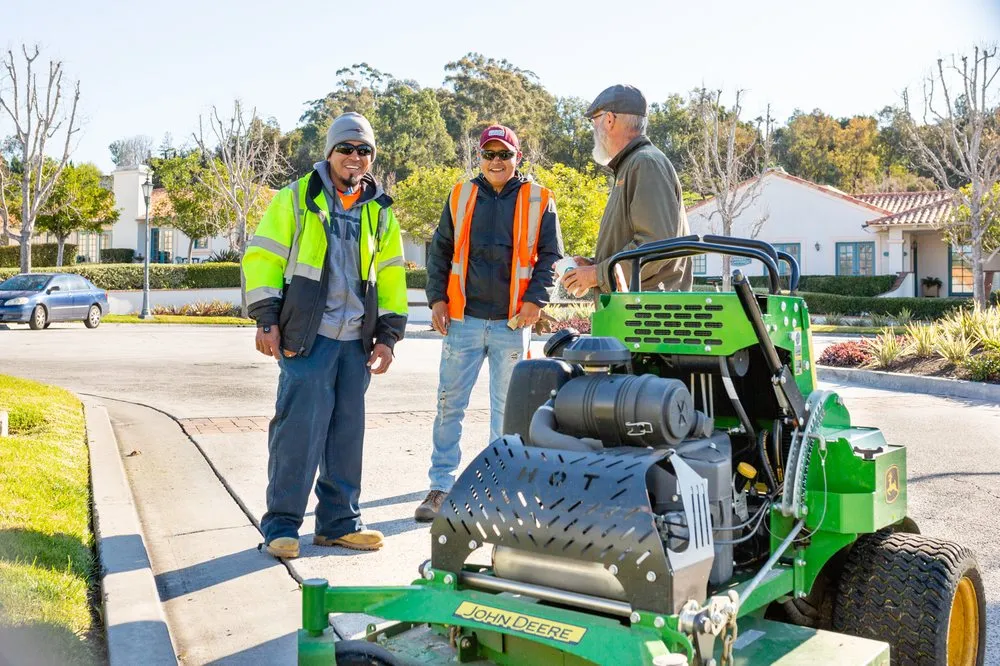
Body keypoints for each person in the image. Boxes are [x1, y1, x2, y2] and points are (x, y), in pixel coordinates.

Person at [242, 112, 408, 558]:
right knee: (299, 432)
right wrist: (265, 318)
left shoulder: (379, 211)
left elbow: (392, 277)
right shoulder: (296, 199)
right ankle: (281, 527)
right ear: (330, 153)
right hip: (307, 339)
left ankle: (339, 523)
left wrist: (388, 337)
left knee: (345, 435)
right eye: (346, 149)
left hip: (356, 342)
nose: (355, 158)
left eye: (364, 150)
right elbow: (262, 260)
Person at [415, 125, 564, 521]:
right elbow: (441, 251)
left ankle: (499, 488)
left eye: (504, 154)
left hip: (512, 322)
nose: (496, 161)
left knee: (506, 411)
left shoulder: (540, 199)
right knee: (449, 406)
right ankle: (440, 487)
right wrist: (437, 299)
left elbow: (550, 257)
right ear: (479, 157)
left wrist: (536, 300)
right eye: (489, 154)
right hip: (463, 319)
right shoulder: (461, 194)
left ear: (518, 157)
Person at [562, 84, 693, 297]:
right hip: (638, 312)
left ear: (610, 120)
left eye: (593, 121)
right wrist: (594, 265)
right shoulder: (633, 164)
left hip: (648, 317)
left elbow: (656, 246)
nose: (593, 129)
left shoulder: (645, 163)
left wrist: (597, 274)